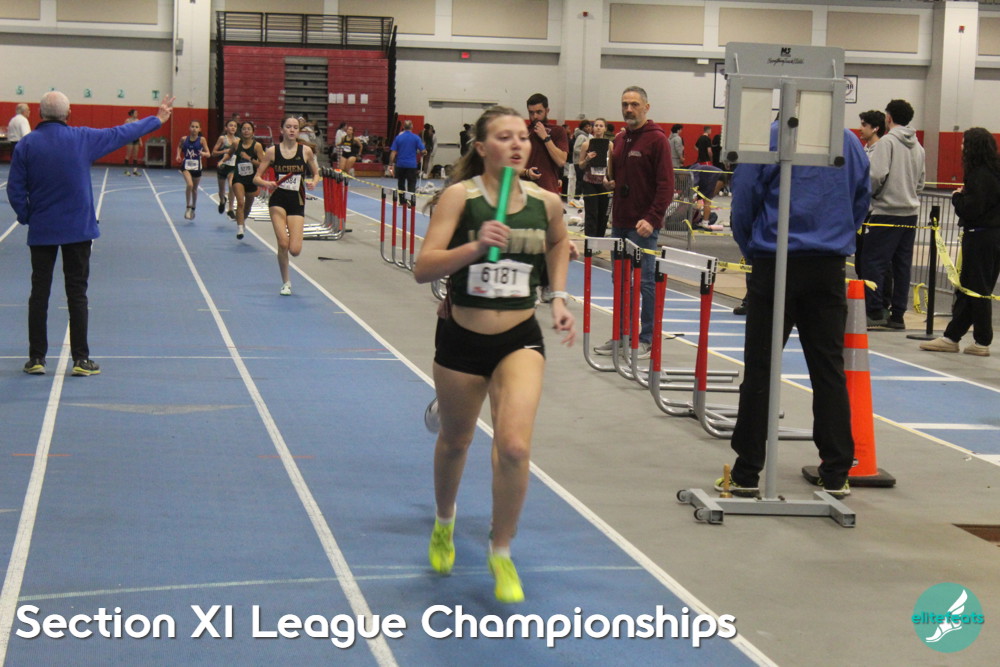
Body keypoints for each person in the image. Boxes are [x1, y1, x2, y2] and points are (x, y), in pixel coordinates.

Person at [413, 106, 575, 604]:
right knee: (455, 441)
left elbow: (559, 242)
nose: (517, 144)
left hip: (519, 338)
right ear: (482, 148)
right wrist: (475, 248)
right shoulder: (459, 198)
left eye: (522, 136)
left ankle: (500, 550)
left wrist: (558, 296)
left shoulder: (546, 201)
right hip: (462, 338)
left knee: (515, 447)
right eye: (504, 137)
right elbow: (423, 267)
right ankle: (444, 522)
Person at [720, 120, 871, 498]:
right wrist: (835, 237)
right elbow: (860, 199)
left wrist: (753, 249)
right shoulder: (848, 141)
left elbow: (744, 199)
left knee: (760, 368)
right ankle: (836, 473)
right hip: (827, 266)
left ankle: (746, 473)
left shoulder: (770, 136)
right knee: (828, 370)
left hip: (775, 263)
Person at [8, 91, 174, 376]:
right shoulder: (82, 138)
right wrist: (157, 120)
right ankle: (80, 359)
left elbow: (15, 189)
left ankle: (36, 358)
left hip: (42, 229)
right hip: (78, 229)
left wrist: (28, 217)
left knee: (39, 293)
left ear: (40, 114)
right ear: (68, 114)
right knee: (77, 293)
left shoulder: (26, 144)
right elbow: (121, 133)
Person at [594, 86, 673, 360]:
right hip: (620, 223)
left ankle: (647, 338)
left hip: (644, 226)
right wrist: (610, 183)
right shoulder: (619, 139)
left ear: (646, 107)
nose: (629, 109)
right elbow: (619, 177)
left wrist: (652, 219)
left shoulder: (657, 140)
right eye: (625, 104)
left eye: (634, 104)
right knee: (619, 280)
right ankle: (622, 335)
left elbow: (666, 186)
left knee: (645, 282)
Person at [920, 127, 1000, 357]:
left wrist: (957, 197)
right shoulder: (995, 171)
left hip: (980, 237)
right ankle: (952, 336)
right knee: (969, 289)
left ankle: (982, 340)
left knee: (977, 290)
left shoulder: (978, 175)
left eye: (965, 143)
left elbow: (971, 209)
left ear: (973, 147)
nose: (961, 147)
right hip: (993, 237)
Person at [860, 99, 925, 329]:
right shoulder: (919, 147)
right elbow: (921, 182)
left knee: (873, 262)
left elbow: (876, 175)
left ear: (888, 118)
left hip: (886, 211)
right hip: (910, 213)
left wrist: (874, 196)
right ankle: (898, 315)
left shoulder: (887, 143)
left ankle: (874, 311)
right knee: (902, 266)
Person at [253, 115, 321, 296]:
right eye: (288, 127)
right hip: (278, 200)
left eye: (295, 127)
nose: (292, 130)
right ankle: (286, 282)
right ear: (282, 130)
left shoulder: (305, 151)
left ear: (298, 131)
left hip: (297, 201)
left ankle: (287, 270)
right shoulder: (272, 151)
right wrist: (267, 184)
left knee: (295, 250)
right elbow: (256, 178)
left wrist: (314, 182)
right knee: (283, 243)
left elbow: (316, 173)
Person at [855, 110, 887, 278]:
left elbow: (875, 178)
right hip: (861, 211)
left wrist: (867, 193)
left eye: (864, 125)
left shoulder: (881, 151)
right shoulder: (863, 150)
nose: (860, 128)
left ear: (875, 128)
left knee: (873, 262)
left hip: (874, 213)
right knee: (860, 260)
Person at [227, 120, 266, 240]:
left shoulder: (257, 146)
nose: (246, 131)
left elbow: (262, 164)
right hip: (238, 177)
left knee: (248, 206)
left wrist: (249, 159)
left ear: (253, 132)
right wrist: (222, 160)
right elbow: (229, 154)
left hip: (251, 179)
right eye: (244, 129)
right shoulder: (236, 143)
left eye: (249, 129)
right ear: (241, 131)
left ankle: (242, 221)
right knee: (240, 202)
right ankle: (239, 228)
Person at [577, 118, 613, 239]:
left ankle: (600, 239)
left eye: (601, 126)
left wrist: (609, 179)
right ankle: (590, 241)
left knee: (603, 214)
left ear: (605, 129)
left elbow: (611, 165)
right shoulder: (586, 144)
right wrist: (587, 159)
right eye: (596, 125)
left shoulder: (610, 145)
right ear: (593, 128)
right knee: (591, 213)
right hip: (589, 182)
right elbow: (580, 165)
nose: (598, 128)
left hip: (604, 183)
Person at [175, 120, 211, 221]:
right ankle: (188, 207)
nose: (194, 129)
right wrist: (178, 155)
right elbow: (179, 147)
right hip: (186, 166)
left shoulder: (202, 140)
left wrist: (203, 154)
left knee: (194, 189)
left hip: (197, 168)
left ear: (199, 129)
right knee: (190, 185)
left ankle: (193, 208)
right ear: (189, 128)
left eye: (196, 127)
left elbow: (209, 154)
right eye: (192, 126)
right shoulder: (184, 139)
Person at [388, 120, 425, 197]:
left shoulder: (398, 138)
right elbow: (423, 151)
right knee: (411, 183)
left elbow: (393, 153)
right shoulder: (416, 138)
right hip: (411, 165)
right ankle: (411, 200)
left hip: (400, 164)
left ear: (403, 127)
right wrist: (424, 152)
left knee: (401, 183)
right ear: (412, 127)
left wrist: (391, 164)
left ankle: (402, 201)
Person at [212, 119, 239, 217]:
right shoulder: (222, 139)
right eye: (231, 125)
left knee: (232, 186)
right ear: (226, 128)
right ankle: (222, 200)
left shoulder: (238, 140)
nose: (233, 127)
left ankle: (231, 209)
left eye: (235, 126)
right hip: (222, 166)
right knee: (221, 190)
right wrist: (224, 151)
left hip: (233, 167)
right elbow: (213, 153)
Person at [123, 109, 141, 175]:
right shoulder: (127, 121)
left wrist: (140, 140)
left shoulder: (138, 121)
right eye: (135, 113)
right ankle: (126, 170)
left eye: (137, 113)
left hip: (136, 139)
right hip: (129, 139)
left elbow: (139, 131)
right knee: (128, 155)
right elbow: (124, 130)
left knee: (135, 155)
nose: (137, 114)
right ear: (132, 114)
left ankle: (135, 171)